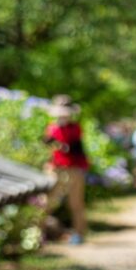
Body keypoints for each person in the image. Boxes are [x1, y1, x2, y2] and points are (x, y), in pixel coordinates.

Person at [44, 95, 89, 244]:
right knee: (48, 202)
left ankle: (79, 234)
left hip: (73, 169)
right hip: (56, 169)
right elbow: (48, 149)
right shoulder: (52, 128)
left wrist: (62, 147)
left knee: (76, 203)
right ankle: (39, 233)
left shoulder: (75, 129)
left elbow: (76, 149)